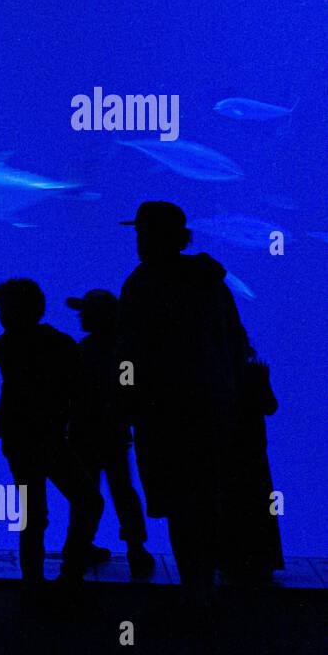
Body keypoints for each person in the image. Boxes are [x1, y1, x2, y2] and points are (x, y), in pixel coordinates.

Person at [116, 202, 250, 608]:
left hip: (161, 412)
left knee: (178, 500)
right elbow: (238, 344)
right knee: (207, 495)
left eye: (143, 233)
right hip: (213, 406)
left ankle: (193, 588)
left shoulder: (142, 283)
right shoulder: (212, 283)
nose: (138, 241)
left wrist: (125, 400)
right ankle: (204, 585)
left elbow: (128, 355)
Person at [0, 278, 103, 589]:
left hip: (17, 439)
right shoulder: (61, 344)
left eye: (2, 311)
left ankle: (33, 582)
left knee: (33, 512)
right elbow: (78, 387)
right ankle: (71, 572)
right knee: (88, 501)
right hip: (50, 438)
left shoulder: (2, 346)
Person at [66, 289, 154, 579]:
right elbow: (129, 392)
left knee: (86, 493)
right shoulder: (123, 351)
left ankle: (80, 546)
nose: (80, 316)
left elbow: (74, 393)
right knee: (122, 491)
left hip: (85, 434)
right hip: (113, 434)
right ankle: (135, 548)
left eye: (86, 312)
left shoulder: (84, 349)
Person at [220, 352, 284, 584]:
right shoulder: (255, 372)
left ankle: (232, 559)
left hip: (230, 449)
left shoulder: (220, 370)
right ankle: (261, 559)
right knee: (259, 505)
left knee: (233, 504)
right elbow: (271, 406)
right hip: (254, 451)